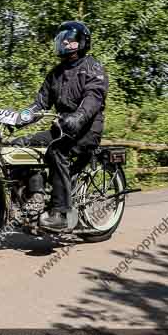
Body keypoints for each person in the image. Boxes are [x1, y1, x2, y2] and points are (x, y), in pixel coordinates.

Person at [11, 21, 109, 231]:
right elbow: (39, 105)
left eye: (68, 38)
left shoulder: (93, 67)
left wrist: (78, 117)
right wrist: (18, 119)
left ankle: (60, 212)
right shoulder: (55, 74)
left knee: (57, 150)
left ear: (80, 42)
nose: (63, 42)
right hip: (61, 130)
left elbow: (93, 98)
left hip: (87, 130)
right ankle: (33, 196)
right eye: (61, 38)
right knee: (19, 146)